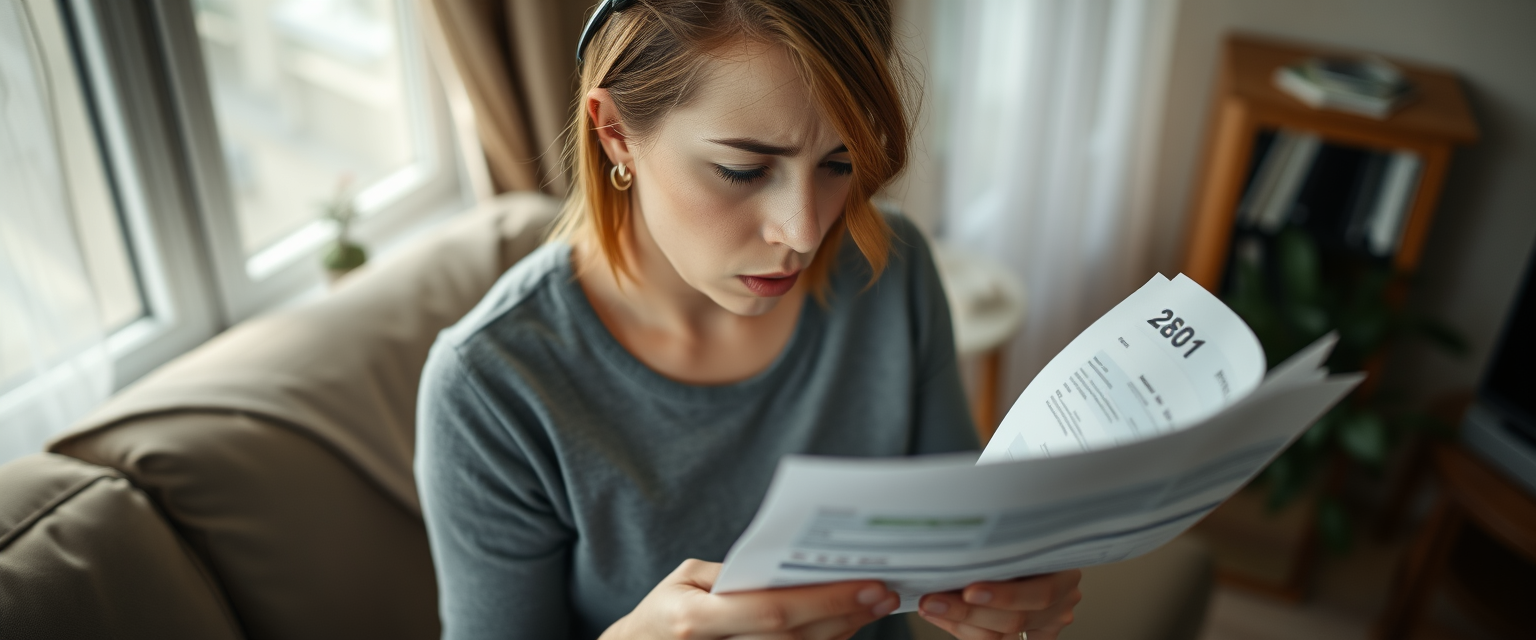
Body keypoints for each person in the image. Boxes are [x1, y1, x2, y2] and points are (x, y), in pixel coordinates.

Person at [415, 1, 1082, 638]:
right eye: (744, 169)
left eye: (838, 163)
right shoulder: (490, 385)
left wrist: (1008, 590)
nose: (804, 229)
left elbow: (962, 533)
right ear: (614, 131)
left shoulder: (889, 267)